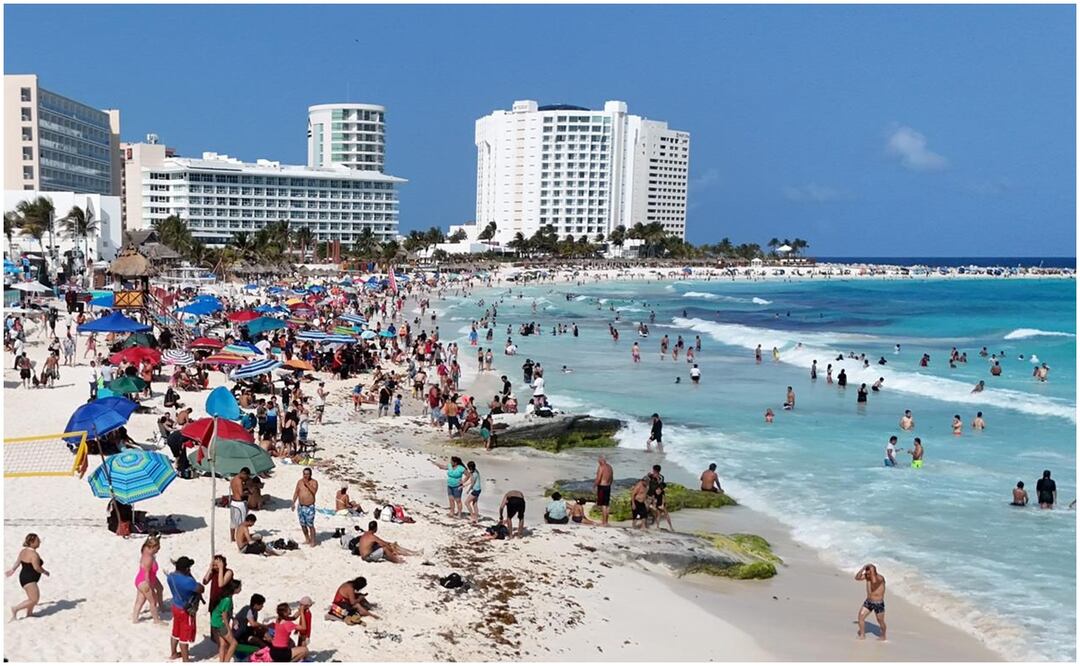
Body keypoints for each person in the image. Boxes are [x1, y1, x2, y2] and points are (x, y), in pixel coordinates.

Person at [166, 556, 204, 662]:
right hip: (185, 610)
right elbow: (201, 589)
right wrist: (191, 576)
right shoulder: (188, 581)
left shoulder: (170, 577)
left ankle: (173, 653)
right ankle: (185, 660)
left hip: (175, 606)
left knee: (175, 631)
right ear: (187, 569)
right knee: (184, 636)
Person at [7, 533, 48, 620]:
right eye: (37, 541)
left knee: (31, 598)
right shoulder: (34, 555)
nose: (39, 542)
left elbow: (17, 562)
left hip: (24, 577)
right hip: (29, 579)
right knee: (34, 599)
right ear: (32, 542)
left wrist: (12, 570)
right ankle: (15, 609)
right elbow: (36, 568)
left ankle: (29, 613)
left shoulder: (23, 551)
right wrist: (45, 572)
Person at [132, 535, 166, 624]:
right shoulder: (149, 558)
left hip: (142, 578)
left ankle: (135, 618)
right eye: (157, 548)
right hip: (145, 581)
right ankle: (156, 620)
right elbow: (147, 574)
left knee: (140, 600)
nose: (158, 550)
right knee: (153, 601)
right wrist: (150, 586)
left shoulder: (145, 549)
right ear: (153, 547)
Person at [210, 579, 241, 662]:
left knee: (223, 644)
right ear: (235, 589)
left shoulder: (225, 597)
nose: (240, 589)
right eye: (239, 587)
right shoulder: (228, 600)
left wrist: (232, 618)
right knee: (234, 643)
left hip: (215, 622)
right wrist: (228, 629)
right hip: (220, 623)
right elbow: (224, 615)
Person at [855, 564, 887, 641]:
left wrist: (871, 570)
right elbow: (857, 578)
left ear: (874, 572)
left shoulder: (880, 578)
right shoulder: (867, 576)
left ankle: (883, 636)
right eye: (867, 572)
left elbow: (874, 582)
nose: (867, 574)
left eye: (869, 572)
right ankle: (862, 635)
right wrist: (863, 569)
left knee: (880, 621)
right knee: (861, 616)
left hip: (878, 603)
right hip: (869, 602)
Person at [292, 467, 319, 547]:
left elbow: (314, 491)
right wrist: (293, 502)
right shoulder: (300, 482)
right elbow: (296, 492)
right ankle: (307, 539)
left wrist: (307, 483)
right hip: (301, 506)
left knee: (310, 525)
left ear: (310, 474)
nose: (305, 476)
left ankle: (313, 541)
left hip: (309, 507)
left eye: (307, 474)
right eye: (304, 474)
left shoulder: (314, 482)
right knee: (302, 524)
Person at [229, 467, 251, 542]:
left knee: (233, 521)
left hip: (233, 502)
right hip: (239, 503)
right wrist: (248, 493)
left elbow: (235, 489)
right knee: (242, 522)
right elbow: (241, 494)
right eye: (247, 476)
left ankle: (232, 538)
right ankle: (240, 538)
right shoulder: (240, 481)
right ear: (244, 474)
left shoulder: (233, 479)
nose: (246, 478)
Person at [594, 455, 613, 526]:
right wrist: (609, 484)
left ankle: (604, 522)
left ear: (601, 460)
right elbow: (611, 477)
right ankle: (606, 522)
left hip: (602, 487)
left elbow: (598, 478)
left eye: (598, 460)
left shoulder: (601, 467)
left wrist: (594, 486)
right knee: (607, 504)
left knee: (603, 505)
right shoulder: (610, 467)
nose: (598, 462)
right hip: (608, 486)